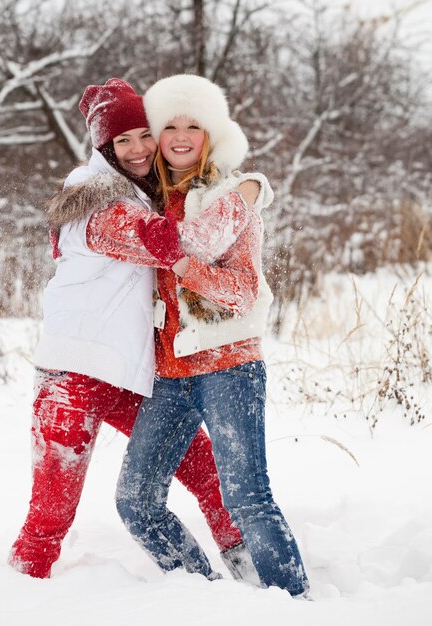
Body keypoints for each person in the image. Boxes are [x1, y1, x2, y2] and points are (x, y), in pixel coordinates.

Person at [9, 78, 262, 580]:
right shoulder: (91, 199)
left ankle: (244, 566)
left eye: (144, 133)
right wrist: (249, 191)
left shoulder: (148, 192)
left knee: (203, 466)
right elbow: (169, 242)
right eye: (122, 140)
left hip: (127, 372)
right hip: (71, 376)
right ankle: (19, 592)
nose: (138, 148)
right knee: (51, 511)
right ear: (105, 148)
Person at [113, 74, 310, 597]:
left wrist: (182, 263)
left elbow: (245, 290)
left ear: (212, 134)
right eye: (169, 125)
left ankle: (294, 601)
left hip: (227, 366)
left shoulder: (232, 195)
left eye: (193, 125)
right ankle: (205, 598)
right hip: (169, 374)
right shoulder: (145, 202)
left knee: (247, 496)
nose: (180, 135)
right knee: (136, 501)